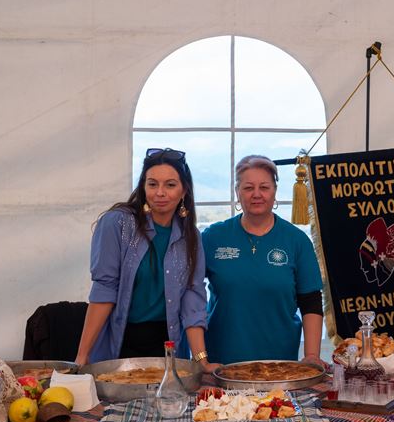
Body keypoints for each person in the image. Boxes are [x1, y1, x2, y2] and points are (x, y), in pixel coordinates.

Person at [75, 148, 218, 373]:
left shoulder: (191, 237)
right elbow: (104, 289)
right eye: (152, 184)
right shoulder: (117, 224)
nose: (160, 192)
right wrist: (82, 357)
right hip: (121, 342)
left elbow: (193, 299)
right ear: (143, 187)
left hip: (169, 346)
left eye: (170, 185)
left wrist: (202, 361)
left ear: (184, 191)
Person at [201, 155, 326, 366]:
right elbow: (191, 296)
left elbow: (311, 301)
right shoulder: (212, 237)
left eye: (264, 187)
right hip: (221, 364)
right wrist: (200, 358)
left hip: (279, 364)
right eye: (248, 188)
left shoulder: (297, 241)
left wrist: (312, 355)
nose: (257, 194)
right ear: (237, 192)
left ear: (274, 191)